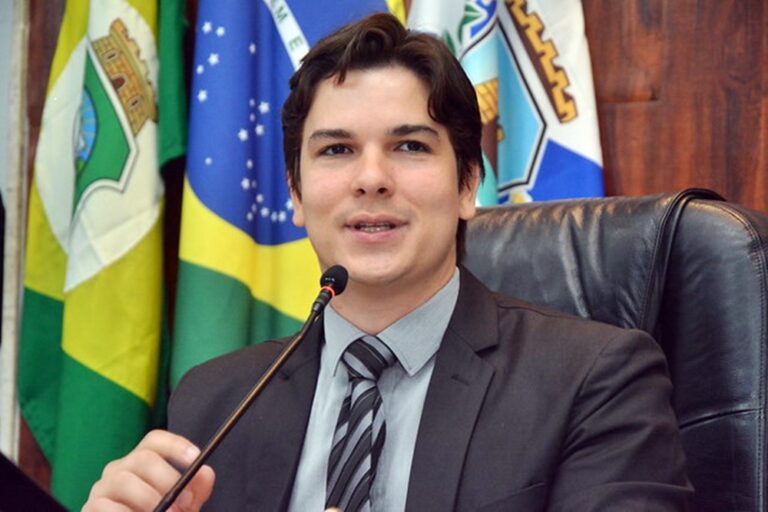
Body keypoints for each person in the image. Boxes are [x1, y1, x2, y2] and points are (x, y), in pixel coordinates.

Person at [84, 12, 691, 511]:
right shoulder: (216, 401)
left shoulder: (596, 381)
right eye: (337, 150)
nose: (371, 178)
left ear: (468, 185)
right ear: (296, 195)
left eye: (409, 146)